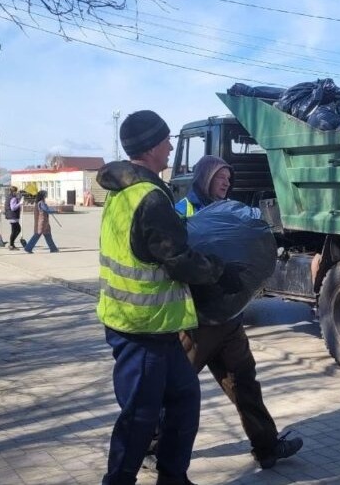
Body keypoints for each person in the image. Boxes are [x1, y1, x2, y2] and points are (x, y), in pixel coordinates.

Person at [97, 110, 242, 485]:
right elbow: (177, 260)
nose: (171, 147)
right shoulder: (149, 197)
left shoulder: (124, 190)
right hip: (141, 329)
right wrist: (217, 270)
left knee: (183, 401)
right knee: (139, 417)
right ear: (149, 148)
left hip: (155, 329)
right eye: (166, 141)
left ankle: (173, 477)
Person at [173, 155, 304, 469]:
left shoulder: (230, 211)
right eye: (220, 178)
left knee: (244, 381)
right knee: (175, 387)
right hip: (197, 320)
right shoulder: (181, 212)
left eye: (228, 180)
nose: (226, 184)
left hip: (230, 316)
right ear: (205, 177)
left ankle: (267, 447)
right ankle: (151, 447)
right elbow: (176, 258)